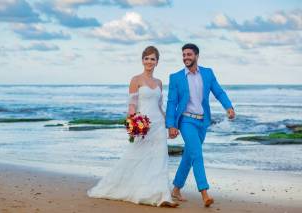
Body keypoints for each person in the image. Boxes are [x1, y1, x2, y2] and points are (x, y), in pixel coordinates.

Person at [88, 46, 178, 207]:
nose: (149, 61)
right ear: (142, 60)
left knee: (160, 159)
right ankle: (133, 189)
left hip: (158, 126)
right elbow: (132, 104)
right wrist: (132, 122)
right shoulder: (136, 80)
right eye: (147, 58)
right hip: (143, 125)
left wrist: (170, 124)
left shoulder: (159, 82)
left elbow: (159, 106)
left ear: (157, 62)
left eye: (153, 59)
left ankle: (162, 195)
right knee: (136, 156)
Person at [166, 43, 235, 207]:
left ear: (196, 56)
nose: (185, 58)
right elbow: (171, 103)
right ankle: (204, 193)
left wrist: (229, 107)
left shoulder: (207, 73)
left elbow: (218, 91)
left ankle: (176, 189)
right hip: (186, 121)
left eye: (189, 54)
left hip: (202, 121)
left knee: (189, 155)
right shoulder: (176, 77)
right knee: (197, 154)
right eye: (183, 55)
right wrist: (171, 125)